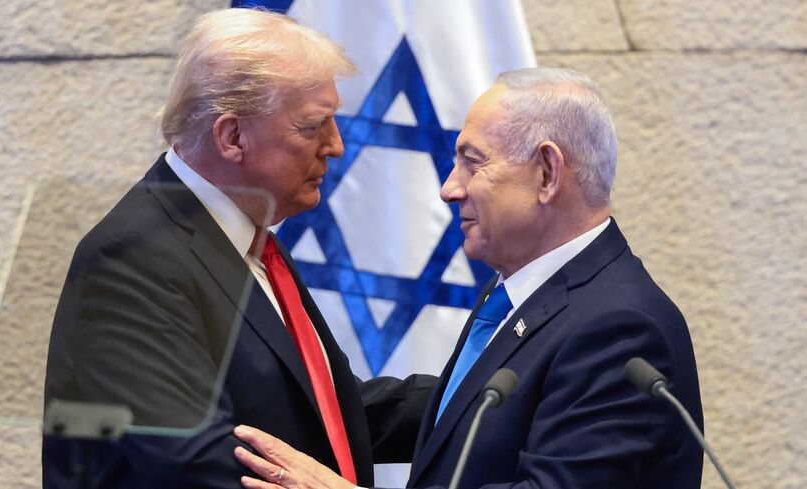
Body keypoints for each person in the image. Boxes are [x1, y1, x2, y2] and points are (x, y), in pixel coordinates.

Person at [232, 67, 704, 489]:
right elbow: (460, 419)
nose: (448, 189)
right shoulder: (518, 291)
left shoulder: (621, 328)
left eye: (472, 163)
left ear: (547, 173)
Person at [43, 8, 434, 488]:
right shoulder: (130, 259)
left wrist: (484, 395)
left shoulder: (247, 235)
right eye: (314, 126)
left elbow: (323, 413)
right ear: (232, 137)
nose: (335, 146)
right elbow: (192, 462)